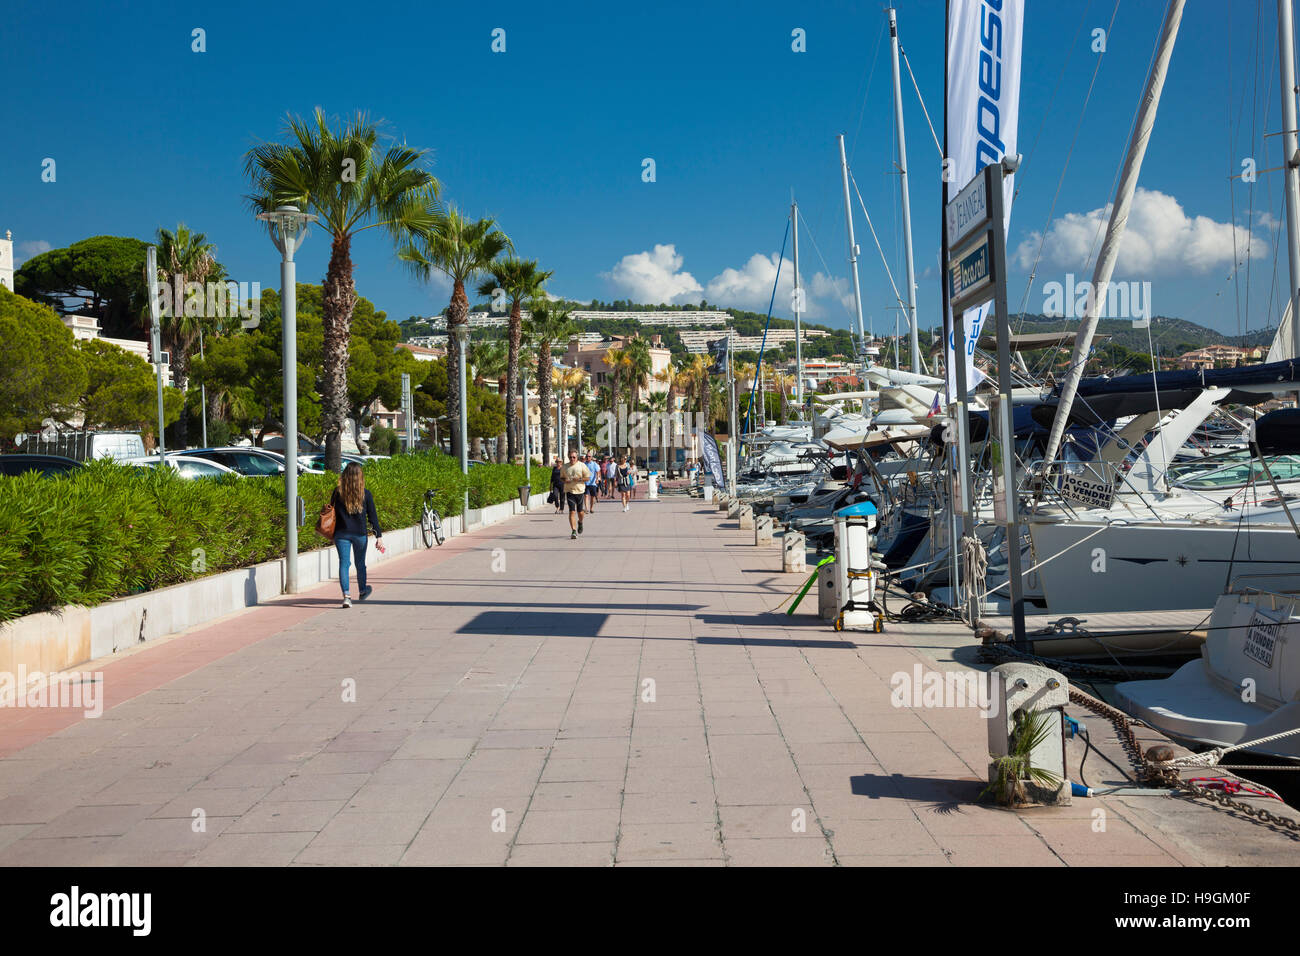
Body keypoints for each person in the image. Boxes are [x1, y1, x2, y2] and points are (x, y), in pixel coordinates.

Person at [330, 462, 385, 608]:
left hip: (341, 534)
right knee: (360, 564)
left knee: (344, 564)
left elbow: (331, 513)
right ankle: (362, 591)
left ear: (345, 476)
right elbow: (372, 517)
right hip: (360, 534)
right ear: (360, 477)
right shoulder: (365, 494)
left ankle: (346, 597)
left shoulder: (337, 492)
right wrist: (378, 536)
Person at [561, 449, 590, 539]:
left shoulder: (582, 465)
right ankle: (573, 531)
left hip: (580, 491)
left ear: (577, 457)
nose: (572, 459)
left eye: (574, 457)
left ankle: (580, 522)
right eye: (570, 457)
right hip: (570, 491)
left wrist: (580, 479)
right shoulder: (564, 467)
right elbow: (561, 477)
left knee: (580, 512)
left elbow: (588, 477)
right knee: (572, 511)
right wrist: (565, 480)